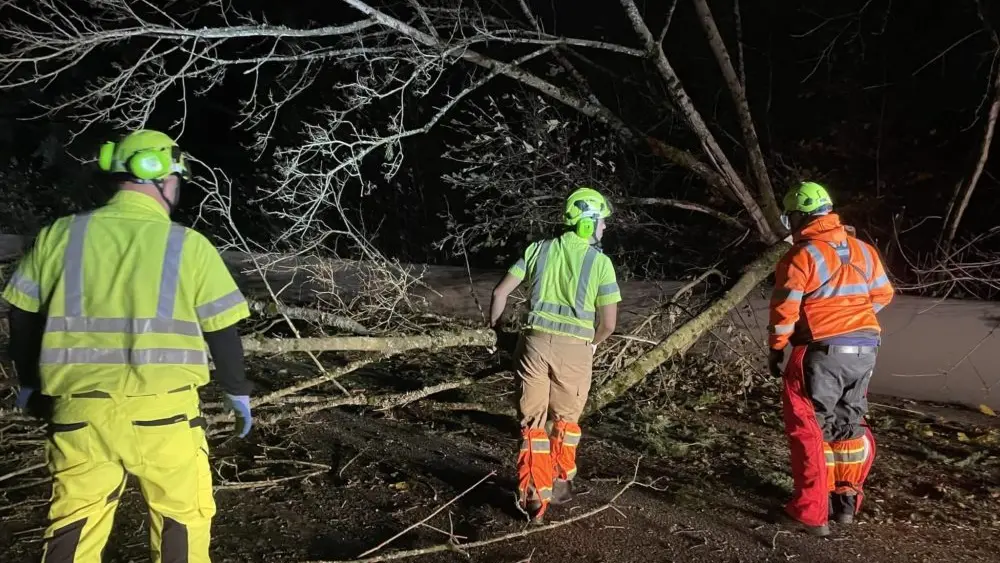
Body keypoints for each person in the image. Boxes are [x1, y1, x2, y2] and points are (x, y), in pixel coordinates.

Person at [3, 129, 253, 562]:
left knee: (72, 527)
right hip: (164, 418)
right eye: (177, 178)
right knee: (181, 520)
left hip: (77, 413)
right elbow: (223, 332)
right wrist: (236, 391)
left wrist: (29, 383)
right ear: (159, 175)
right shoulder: (187, 245)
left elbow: (21, 314)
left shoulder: (60, 236)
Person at [767, 181, 894, 536]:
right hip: (866, 348)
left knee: (809, 427)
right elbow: (883, 294)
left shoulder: (800, 256)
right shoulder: (864, 250)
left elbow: (784, 311)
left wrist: (777, 348)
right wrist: (855, 319)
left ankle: (810, 512)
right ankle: (845, 506)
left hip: (821, 350)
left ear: (797, 217)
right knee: (849, 424)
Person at [488, 186, 621, 522]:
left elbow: (500, 291)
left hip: (533, 345)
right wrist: (592, 344)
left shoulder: (537, 250)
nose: (604, 227)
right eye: (601, 222)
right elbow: (608, 324)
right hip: (575, 351)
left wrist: (498, 331)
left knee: (533, 426)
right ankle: (559, 482)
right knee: (564, 423)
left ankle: (534, 500)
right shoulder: (600, 263)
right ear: (587, 224)